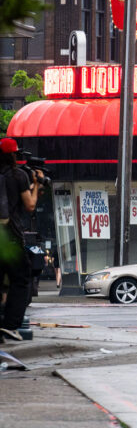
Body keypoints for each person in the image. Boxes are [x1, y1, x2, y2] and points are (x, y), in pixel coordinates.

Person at [0, 138, 43, 343]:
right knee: (21, 278)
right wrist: (36, 184)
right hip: (10, 236)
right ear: (14, 155)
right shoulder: (18, 175)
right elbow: (30, 206)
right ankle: (10, 325)